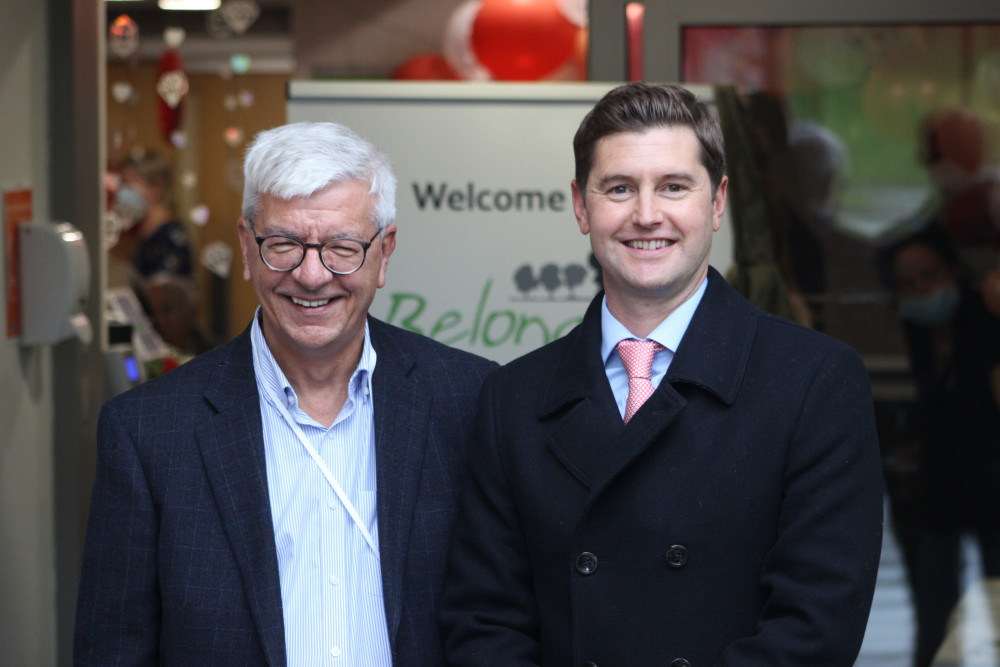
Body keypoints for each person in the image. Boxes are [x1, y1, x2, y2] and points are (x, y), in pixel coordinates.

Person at [439, 82, 884, 666]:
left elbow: (814, 630)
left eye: (674, 187)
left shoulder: (814, 382)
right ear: (580, 205)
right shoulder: (513, 398)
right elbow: (484, 622)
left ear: (718, 201)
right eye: (619, 188)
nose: (646, 216)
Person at [75, 121, 497, 666]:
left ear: (384, 252)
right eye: (284, 245)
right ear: (247, 248)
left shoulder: (469, 401)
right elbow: (113, 650)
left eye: (343, 247)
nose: (312, 275)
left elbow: (500, 619)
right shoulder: (148, 432)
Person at [883, 224, 1000, 667]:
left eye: (928, 276)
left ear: (952, 270)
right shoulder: (917, 329)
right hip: (943, 477)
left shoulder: (984, 319)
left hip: (991, 474)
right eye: (907, 284)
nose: (920, 291)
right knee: (934, 598)